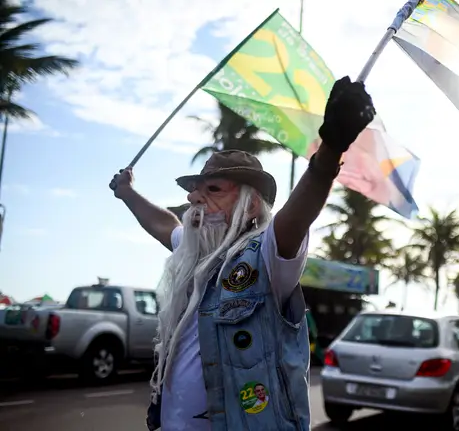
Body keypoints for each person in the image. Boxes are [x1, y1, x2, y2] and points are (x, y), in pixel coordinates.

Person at [109, 76, 375, 431]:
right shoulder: (196, 254)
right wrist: (127, 193)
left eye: (212, 189)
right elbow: (163, 224)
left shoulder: (265, 255)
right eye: (194, 190)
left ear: (250, 205)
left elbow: (297, 215)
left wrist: (330, 149)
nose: (194, 198)